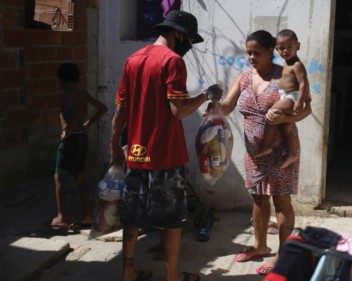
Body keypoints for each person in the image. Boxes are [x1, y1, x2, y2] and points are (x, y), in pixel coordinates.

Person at [110, 10, 222, 281]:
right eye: (189, 40)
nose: (188, 46)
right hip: (165, 155)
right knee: (172, 219)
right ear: (179, 34)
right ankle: (173, 276)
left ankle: (128, 273)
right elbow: (179, 111)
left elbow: (120, 112)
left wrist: (114, 147)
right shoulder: (172, 62)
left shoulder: (132, 60)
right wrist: (206, 95)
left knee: (132, 217)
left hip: (135, 154)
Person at [210, 30, 311, 275]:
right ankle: (259, 245)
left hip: (280, 149)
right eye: (249, 53)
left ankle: (283, 257)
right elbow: (227, 105)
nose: (252, 57)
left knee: (281, 199)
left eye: (257, 53)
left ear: (270, 51)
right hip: (255, 152)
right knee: (257, 197)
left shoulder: (284, 73)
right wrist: (212, 105)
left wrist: (284, 117)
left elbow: (306, 108)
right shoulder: (244, 78)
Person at [49, 62, 108, 230]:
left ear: (63, 81)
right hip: (82, 138)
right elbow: (102, 108)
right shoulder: (83, 94)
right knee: (79, 176)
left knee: (59, 177)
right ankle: (88, 215)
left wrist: (66, 132)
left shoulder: (66, 98)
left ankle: (61, 217)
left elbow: (74, 117)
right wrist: (88, 124)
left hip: (71, 140)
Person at [256, 29, 310, 169]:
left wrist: (299, 101)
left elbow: (303, 83)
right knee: (286, 127)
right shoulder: (287, 64)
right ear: (276, 49)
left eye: (289, 47)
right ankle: (292, 153)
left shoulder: (297, 65)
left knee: (271, 114)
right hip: (286, 95)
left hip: (292, 96)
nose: (285, 51)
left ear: (297, 46)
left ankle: (266, 145)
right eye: (281, 48)